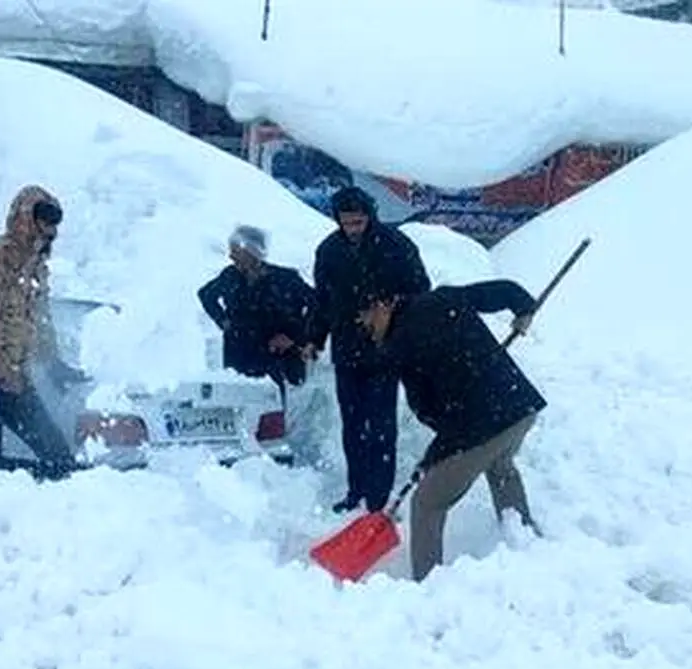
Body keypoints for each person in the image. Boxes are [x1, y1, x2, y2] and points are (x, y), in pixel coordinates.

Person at [357, 280, 547, 582]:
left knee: (427, 502)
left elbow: (438, 416)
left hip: (485, 422)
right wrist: (523, 308)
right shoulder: (442, 298)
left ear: (385, 305)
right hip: (519, 406)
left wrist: (436, 456)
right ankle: (528, 542)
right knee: (499, 464)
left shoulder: (400, 346)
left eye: (364, 316)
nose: (363, 324)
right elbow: (504, 291)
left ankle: (430, 586)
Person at [304, 186, 433, 514]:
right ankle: (355, 490)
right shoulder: (329, 251)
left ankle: (377, 497)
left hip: (384, 349)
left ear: (370, 217)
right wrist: (314, 339)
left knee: (381, 425)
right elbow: (322, 301)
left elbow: (421, 289)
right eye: (346, 223)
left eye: (358, 222)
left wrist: (391, 308)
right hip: (347, 349)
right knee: (353, 425)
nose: (353, 230)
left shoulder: (395, 246)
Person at [0, 184, 88, 479]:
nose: (51, 232)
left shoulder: (35, 265)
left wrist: (53, 363)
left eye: (54, 226)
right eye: (45, 223)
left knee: (57, 455)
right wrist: (1, 370)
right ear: (27, 220)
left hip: (15, 375)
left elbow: (39, 319)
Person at [197, 225, 315, 405]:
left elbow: (318, 306)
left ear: (253, 252)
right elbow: (206, 295)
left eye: (236, 251)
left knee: (280, 412)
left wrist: (295, 338)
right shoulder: (230, 276)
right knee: (242, 405)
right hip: (241, 353)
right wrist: (224, 322)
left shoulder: (285, 279)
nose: (231, 256)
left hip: (279, 355)